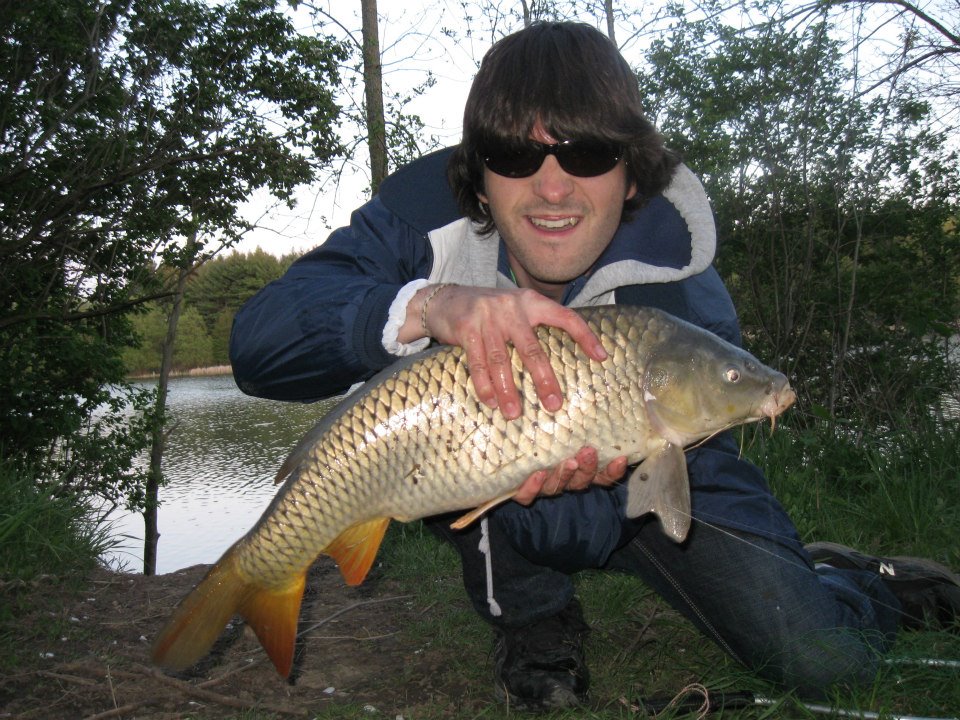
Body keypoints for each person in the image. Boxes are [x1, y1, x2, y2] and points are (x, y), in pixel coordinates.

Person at [230, 21, 960, 711]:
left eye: (585, 154)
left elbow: (615, 505)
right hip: (465, 456)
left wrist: (593, 485)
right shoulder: (415, 218)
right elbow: (259, 348)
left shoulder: (679, 291)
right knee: (487, 462)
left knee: (826, 663)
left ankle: (857, 580)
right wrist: (428, 307)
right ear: (481, 175)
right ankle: (535, 621)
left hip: (669, 465)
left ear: (631, 174)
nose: (552, 187)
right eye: (517, 156)